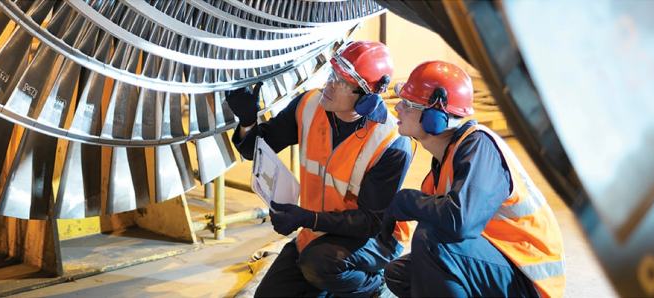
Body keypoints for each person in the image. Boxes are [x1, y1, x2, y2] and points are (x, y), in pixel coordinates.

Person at [226, 41, 415, 297]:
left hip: (374, 240)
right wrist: (248, 120)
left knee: (321, 264)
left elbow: (369, 223)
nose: (330, 84)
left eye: (342, 82)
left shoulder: (391, 142)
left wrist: (305, 218)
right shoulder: (310, 105)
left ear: (366, 99)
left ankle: (372, 287)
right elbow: (256, 150)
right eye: (332, 74)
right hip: (319, 232)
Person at [379, 61, 565, 297]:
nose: (398, 109)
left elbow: (460, 221)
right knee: (402, 273)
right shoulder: (444, 162)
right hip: (502, 265)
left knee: (432, 239)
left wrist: (407, 201)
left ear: (434, 117)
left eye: (408, 104)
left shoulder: (480, 148)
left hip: (530, 281)